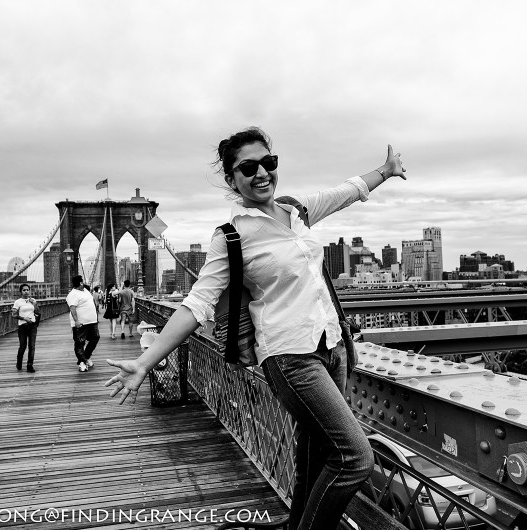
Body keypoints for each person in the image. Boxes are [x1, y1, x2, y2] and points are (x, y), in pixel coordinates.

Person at [105, 127, 406, 530]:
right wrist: (145, 361)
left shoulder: (296, 210)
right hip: (291, 358)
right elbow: (197, 303)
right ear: (232, 179)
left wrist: (385, 171)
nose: (262, 172)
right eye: (249, 167)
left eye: (269, 162)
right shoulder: (232, 236)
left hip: (333, 347)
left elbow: (346, 191)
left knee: (315, 459)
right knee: (355, 458)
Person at [67, 275, 100, 372]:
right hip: (81, 323)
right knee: (80, 342)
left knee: (95, 338)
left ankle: (86, 357)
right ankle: (82, 362)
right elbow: (72, 308)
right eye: (82, 281)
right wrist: (76, 321)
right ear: (81, 283)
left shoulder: (86, 291)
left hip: (92, 322)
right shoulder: (72, 294)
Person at [11, 283, 38, 373]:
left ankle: (30, 365)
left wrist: (35, 304)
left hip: (32, 325)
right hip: (22, 326)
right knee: (23, 346)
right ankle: (19, 363)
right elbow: (14, 315)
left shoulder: (33, 301)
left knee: (32, 346)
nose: (26, 292)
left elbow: (38, 312)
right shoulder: (18, 302)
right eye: (24, 290)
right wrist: (24, 318)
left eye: (27, 290)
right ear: (21, 292)